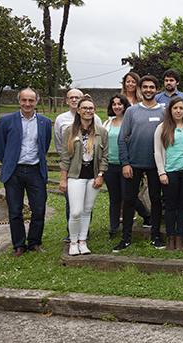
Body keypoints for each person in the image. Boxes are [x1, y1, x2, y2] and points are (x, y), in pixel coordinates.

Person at [0, 88, 52, 257]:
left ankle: (34, 242)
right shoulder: (6, 121)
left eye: (31, 100)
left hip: (35, 170)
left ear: (36, 102)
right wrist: (9, 162)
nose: (27, 104)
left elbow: (45, 144)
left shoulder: (45, 122)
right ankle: (19, 245)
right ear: (19, 101)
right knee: (15, 210)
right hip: (14, 171)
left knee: (39, 209)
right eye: (24, 100)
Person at [113, 75, 166, 252]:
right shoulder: (131, 111)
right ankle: (126, 238)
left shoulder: (163, 112)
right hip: (133, 163)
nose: (148, 90)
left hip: (156, 164)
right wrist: (125, 163)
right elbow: (122, 138)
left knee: (156, 200)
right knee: (129, 200)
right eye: (145, 87)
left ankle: (155, 236)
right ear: (140, 89)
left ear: (157, 90)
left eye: (151, 87)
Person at [59, 96, 108, 256]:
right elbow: (65, 156)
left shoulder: (101, 131)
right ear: (78, 111)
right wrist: (63, 179)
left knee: (87, 210)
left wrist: (101, 174)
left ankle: (82, 241)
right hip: (75, 176)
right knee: (75, 212)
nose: (88, 111)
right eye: (85, 108)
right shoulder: (70, 131)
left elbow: (105, 156)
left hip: (93, 176)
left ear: (95, 111)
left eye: (91, 108)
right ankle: (73, 242)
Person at [103, 94, 151, 241]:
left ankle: (146, 216)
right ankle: (113, 230)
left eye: (120, 104)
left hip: (127, 165)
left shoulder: (131, 122)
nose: (117, 107)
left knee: (128, 196)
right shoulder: (107, 123)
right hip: (110, 165)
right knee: (114, 199)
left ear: (125, 106)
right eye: (114, 104)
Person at [154, 97, 183, 251]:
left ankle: (180, 238)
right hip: (170, 172)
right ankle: (170, 238)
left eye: (181, 108)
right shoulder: (162, 127)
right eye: (175, 108)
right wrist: (161, 172)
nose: (178, 111)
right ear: (170, 110)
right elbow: (157, 151)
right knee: (171, 206)